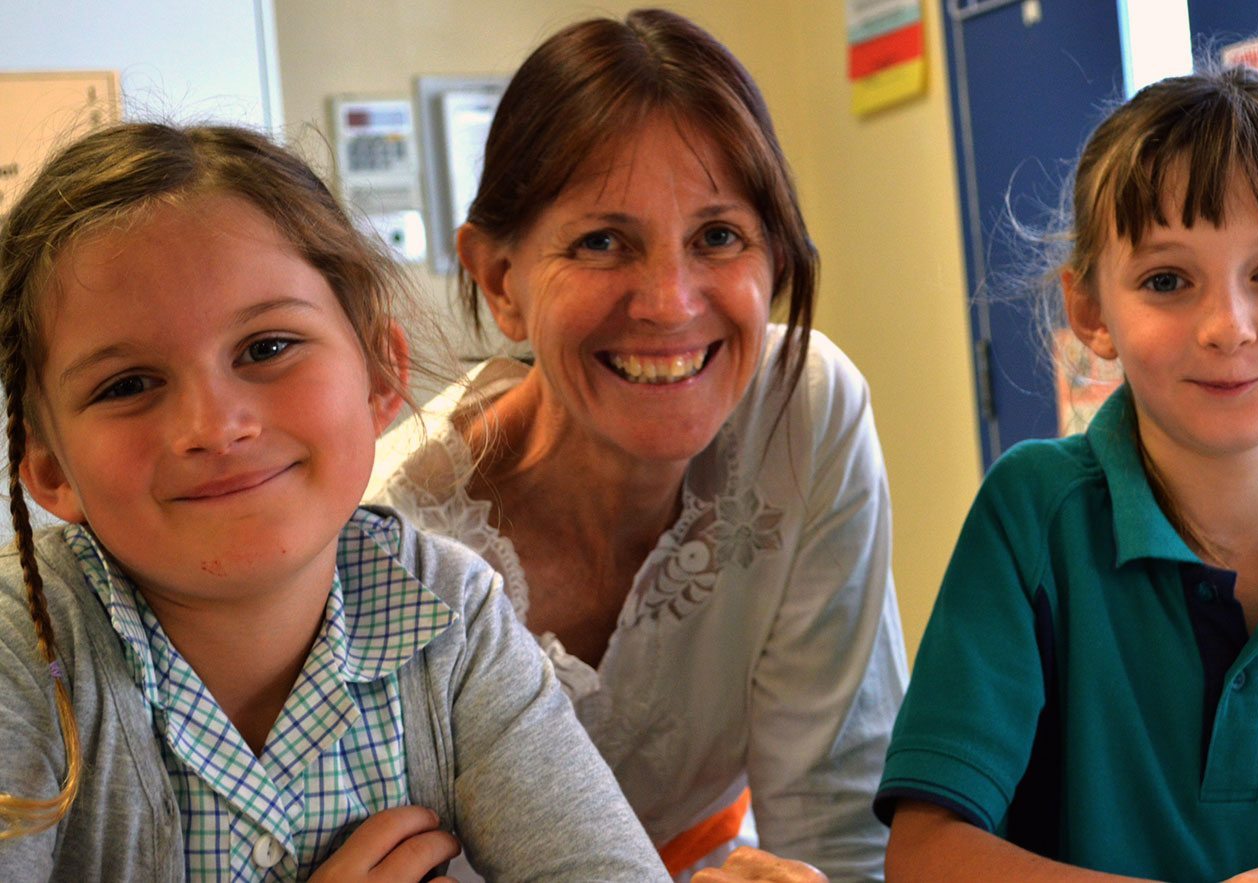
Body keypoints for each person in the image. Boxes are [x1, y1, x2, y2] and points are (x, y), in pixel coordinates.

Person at [0, 121, 667, 881]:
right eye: (127, 386)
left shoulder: (451, 614)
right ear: (51, 470)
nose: (215, 427)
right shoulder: (25, 651)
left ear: (380, 377)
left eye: (266, 347)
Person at [877, 66, 1258, 882]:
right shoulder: (1033, 517)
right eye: (1166, 280)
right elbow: (925, 854)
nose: (1227, 327)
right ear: (1089, 311)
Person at [369, 8, 907, 881]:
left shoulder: (802, 412)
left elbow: (838, 819)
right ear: (500, 281)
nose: (668, 302)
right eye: (603, 242)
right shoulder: (386, 544)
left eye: (718, 236)